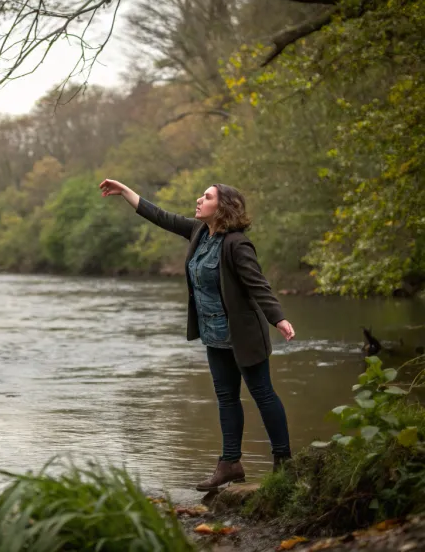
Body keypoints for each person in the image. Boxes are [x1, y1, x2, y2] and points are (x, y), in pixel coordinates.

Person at [99, 179, 295, 491]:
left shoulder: (236, 244)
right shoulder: (198, 232)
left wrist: (279, 318)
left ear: (223, 207)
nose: (199, 199)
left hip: (243, 334)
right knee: (226, 397)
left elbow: (258, 285)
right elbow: (159, 215)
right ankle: (230, 464)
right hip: (214, 334)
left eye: (207, 196)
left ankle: (284, 464)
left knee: (263, 394)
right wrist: (125, 192)